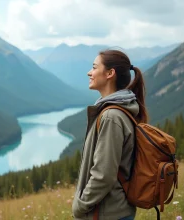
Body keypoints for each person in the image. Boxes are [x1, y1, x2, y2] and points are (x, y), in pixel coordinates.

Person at [72, 49, 148, 220]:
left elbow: (103, 174)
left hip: (107, 213)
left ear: (110, 73)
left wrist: (80, 206)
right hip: (115, 211)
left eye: (94, 67)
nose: (89, 72)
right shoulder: (118, 111)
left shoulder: (111, 117)